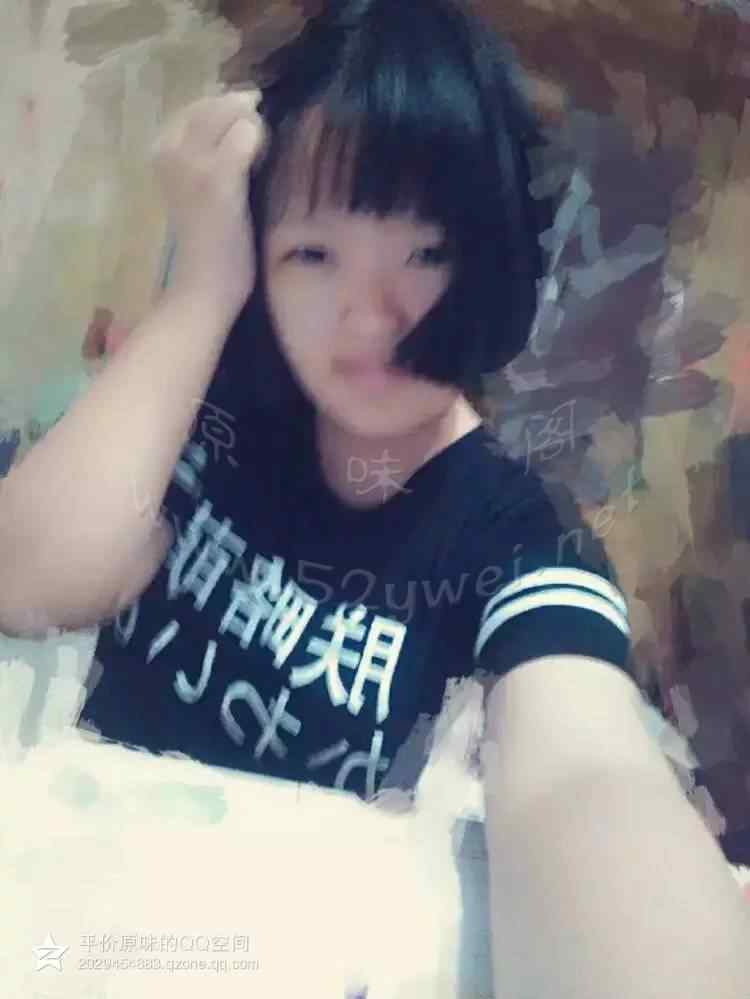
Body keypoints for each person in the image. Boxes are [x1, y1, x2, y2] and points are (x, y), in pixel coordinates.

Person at [0, 1, 747, 995]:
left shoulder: (516, 537)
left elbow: (586, 775)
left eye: (427, 253)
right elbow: (24, 583)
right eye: (314, 254)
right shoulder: (213, 410)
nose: (369, 318)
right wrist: (204, 284)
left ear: (494, 258)